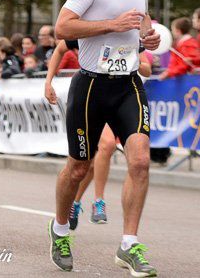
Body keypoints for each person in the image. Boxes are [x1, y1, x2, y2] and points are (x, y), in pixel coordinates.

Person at [48, 0, 160, 277]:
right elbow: (62, 28)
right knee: (78, 166)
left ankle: (129, 244)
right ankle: (60, 229)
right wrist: (112, 24)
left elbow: (140, 27)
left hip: (127, 84)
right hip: (92, 85)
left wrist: (149, 39)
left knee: (140, 161)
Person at [46, 40, 153, 231]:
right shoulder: (90, 21)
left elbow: (147, 70)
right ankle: (76, 203)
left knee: (105, 149)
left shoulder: (130, 28)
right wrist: (48, 80)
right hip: (90, 92)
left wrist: (135, 61)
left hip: (120, 95)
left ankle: (96, 201)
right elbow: (61, 48)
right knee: (85, 163)